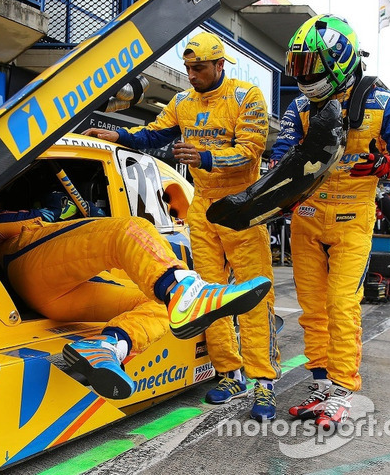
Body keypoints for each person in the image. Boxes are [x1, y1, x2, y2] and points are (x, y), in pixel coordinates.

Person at [82, 32, 280, 420]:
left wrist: (205, 157)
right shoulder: (182, 102)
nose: (191, 75)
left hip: (242, 206)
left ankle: (264, 383)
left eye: (199, 68)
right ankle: (229, 373)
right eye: (188, 68)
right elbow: (155, 133)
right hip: (203, 210)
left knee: (256, 295)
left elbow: (251, 151)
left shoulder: (247, 97)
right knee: (207, 295)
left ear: (220, 64)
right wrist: (118, 134)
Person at [0, 190, 271, 400]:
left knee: (163, 304)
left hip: (64, 296)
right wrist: (50, 211)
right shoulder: (36, 216)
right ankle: (186, 290)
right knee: (130, 228)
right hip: (26, 266)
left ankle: (109, 346)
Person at [272, 15, 390, 429]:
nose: (303, 76)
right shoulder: (298, 106)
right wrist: (276, 195)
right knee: (313, 309)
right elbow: (282, 155)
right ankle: (321, 385)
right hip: (307, 218)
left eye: (310, 66)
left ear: (339, 61)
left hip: (354, 218)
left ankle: (343, 389)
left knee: (342, 305)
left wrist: (385, 163)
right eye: (297, 66)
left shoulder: (383, 102)